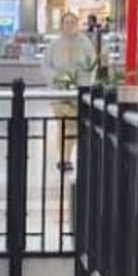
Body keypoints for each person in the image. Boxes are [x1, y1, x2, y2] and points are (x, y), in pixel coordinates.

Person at [44, 12, 96, 171]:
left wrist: (85, 83)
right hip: (59, 94)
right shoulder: (54, 45)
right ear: (62, 25)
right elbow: (46, 66)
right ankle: (63, 157)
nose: (69, 25)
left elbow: (92, 65)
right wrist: (57, 79)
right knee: (62, 125)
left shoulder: (85, 43)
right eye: (66, 22)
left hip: (77, 93)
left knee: (74, 126)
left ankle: (69, 156)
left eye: (72, 22)